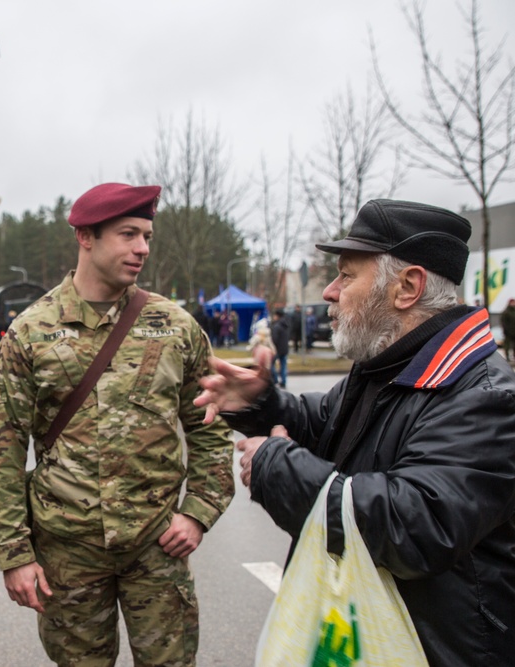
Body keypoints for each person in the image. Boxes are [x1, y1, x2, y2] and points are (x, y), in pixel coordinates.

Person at [195, 199, 515, 666]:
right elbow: (324, 425)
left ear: (407, 286)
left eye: (346, 275)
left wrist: (277, 467)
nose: (328, 290)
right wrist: (262, 403)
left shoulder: (485, 396)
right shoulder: (390, 364)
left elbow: (417, 524)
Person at [0, 182, 235, 666]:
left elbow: (210, 427)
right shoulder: (30, 333)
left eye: (148, 237)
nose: (142, 249)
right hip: (67, 551)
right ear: (86, 237)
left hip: (157, 546)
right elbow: (1, 451)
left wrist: (198, 510)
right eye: (128, 234)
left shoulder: (174, 326)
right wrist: (15, 555)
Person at [269, 309, 290, 388]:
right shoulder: (285, 325)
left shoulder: (277, 326)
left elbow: (274, 339)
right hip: (284, 348)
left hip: (277, 349)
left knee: (271, 364)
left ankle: (275, 380)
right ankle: (283, 381)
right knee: (283, 365)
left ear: (277, 316)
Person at [501, 297, 515, 362]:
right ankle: (507, 357)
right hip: (508, 332)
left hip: (514, 331)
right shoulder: (506, 312)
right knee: (507, 345)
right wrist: (506, 330)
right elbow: (504, 322)